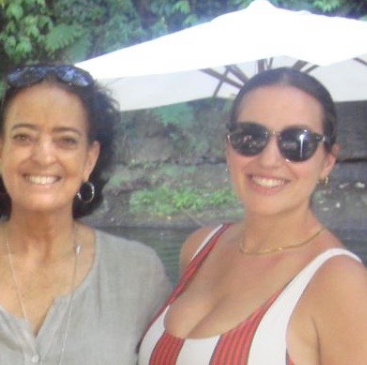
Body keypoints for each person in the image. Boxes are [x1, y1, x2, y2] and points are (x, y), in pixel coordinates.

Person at [0, 63, 170, 365]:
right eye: (24, 137)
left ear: (89, 159)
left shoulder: (139, 274)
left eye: (66, 140)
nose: (43, 156)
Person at [138, 67, 367, 364]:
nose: (269, 159)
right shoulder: (199, 247)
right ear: (228, 147)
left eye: (296, 142)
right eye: (250, 137)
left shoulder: (341, 284)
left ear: (327, 161)